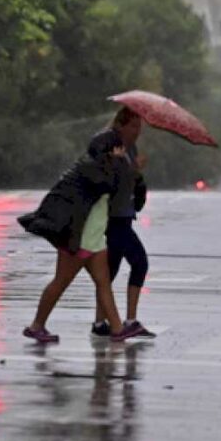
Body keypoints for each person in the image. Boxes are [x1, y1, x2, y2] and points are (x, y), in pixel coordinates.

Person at [17, 129, 146, 344]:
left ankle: (116, 329)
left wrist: (133, 172)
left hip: (94, 240)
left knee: (103, 283)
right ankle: (36, 326)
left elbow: (126, 196)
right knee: (60, 282)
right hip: (78, 239)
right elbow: (113, 184)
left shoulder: (105, 168)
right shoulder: (93, 169)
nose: (124, 152)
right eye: (120, 148)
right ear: (111, 149)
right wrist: (131, 168)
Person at [92, 107, 154, 338]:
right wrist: (131, 169)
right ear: (120, 124)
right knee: (140, 262)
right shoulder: (110, 146)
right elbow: (109, 179)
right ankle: (130, 320)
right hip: (114, 217)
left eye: (140, 127)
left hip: (125, 214)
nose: (137, 132)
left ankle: (100, 322)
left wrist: (137, 174)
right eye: (133, 126)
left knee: (110, 270)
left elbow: (132, 183)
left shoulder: (131, 148)